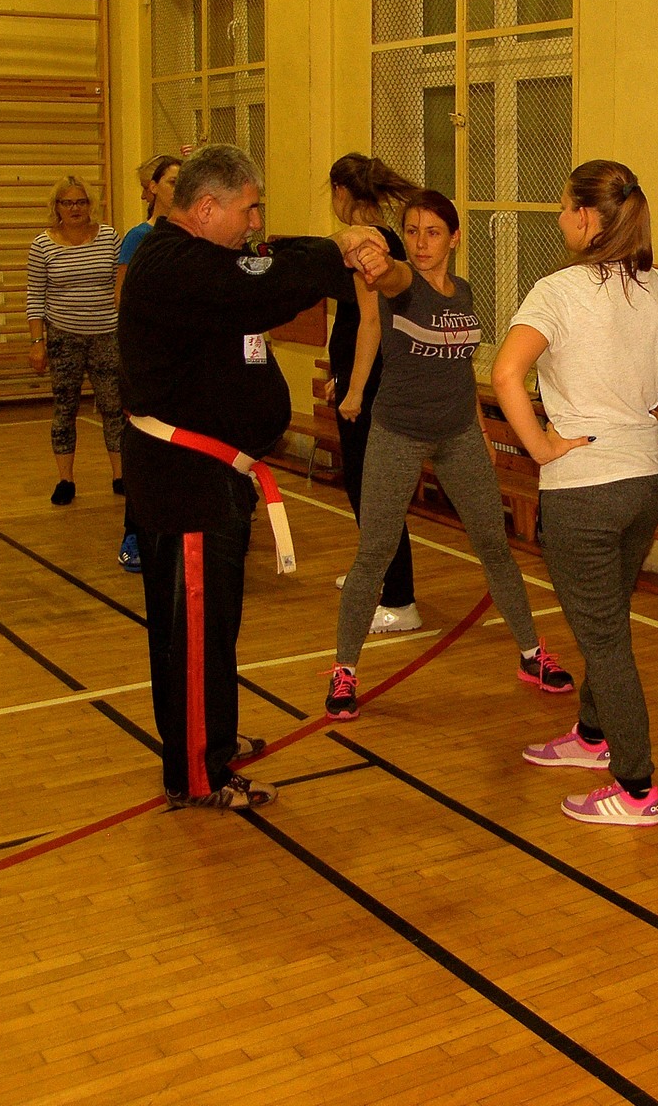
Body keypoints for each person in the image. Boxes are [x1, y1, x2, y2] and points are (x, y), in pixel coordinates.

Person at [119, 143, 387, 810]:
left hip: (209, 478)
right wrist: (335, 251)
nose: (256, 221)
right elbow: (260, 281)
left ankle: (206, 736)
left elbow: (266, 260)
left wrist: (344, 247)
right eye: (249, 208)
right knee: (194, 632)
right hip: (185, 481)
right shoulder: (172, 264)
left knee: (210, 627)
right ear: (206, 209)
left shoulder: (201, 260)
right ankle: (199, 772)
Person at [492, 159, 658, 827]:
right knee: (607, 619)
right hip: (644, 483)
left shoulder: (557, 290)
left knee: (606, 640)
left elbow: (505, 373)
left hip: (585, 491)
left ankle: (636, 787)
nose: (560, 219)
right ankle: (591, 735)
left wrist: (540, 447)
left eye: (564, 208)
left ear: (587, 217)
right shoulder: (656, 286)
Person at [324, 190, 575, 721]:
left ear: (455, 238)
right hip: (398, 434)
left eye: (433, 232)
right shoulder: (401, 286)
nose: (421, 243)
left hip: (458, 434)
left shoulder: (462, 292)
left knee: (495, 547)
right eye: (412, 231)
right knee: (374, 553)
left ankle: (532, 655)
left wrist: (480, 428)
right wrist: (376, 260)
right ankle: (344, 671)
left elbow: (458, 367)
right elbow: (393, 276)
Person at [324, 153, 422, 633]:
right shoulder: (383, 238)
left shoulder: (367, 243)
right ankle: (376, 573)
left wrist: (356, 390)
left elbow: (371, 323)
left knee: (374, 490)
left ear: (342, 191)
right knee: (363, 486)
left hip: (374, 384)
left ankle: (401, 601)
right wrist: (342, 377)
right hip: (362, 375)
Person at [26, 175, 123, 506]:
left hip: (107, 333)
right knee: (65, 407)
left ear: (90, 205)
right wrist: (37, 342)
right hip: (63, 336)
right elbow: (35, 296)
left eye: (80, 202)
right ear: (56, 207)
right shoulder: (43, 245)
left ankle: (120, 475)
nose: (74, 208)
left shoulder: (109, 237)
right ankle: (65, 479)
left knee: (113, 406)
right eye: (67, 203)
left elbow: (120, 284)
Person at [111, 156, 181, 574]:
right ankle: (133, 533)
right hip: (150, 359)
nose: (178, 187)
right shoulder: (140, 237)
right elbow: (123, 297)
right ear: (153, 188)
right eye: (171, 181)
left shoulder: (193, 236)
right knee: (144, 444)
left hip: (183, 361)